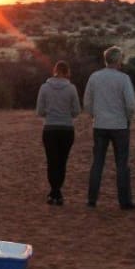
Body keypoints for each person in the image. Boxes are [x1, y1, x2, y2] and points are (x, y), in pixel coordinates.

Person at [84, 46, 135, 210]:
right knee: (122, 164)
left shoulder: (95, 77)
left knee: (97, 162)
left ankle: (92, 199)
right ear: (118, 60)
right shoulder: (123, 79)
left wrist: (94, 116)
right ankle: (124, 201)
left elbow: (87, 102)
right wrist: (128, 119)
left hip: (99, 124)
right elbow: (130, 104)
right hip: (119, 125)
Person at [36, 60, 81, 206]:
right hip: (66, 129)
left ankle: (54, 192)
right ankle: (57, 192)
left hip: (50, 128)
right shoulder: (71, 88)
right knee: (62, 162)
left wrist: (50, 112)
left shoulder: (44, 88)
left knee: (51, 161)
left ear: (54, 70)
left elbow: (40, 111)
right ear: (67, 72)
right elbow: (76, 111)